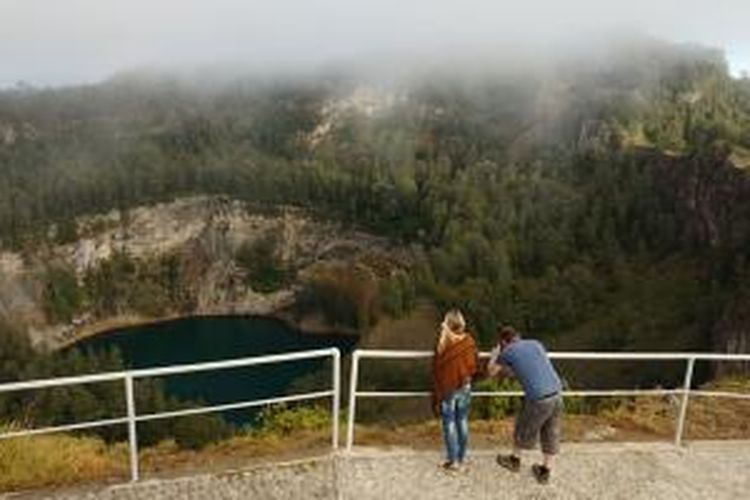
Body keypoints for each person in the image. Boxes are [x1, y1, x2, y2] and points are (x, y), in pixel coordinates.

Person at [486, 325, 563, 484]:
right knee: (551, 430)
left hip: (539, 397)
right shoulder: (536, 343)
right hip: (557, 392)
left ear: (503, 342)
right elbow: (533, 365)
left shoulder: (507, 351)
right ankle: (545, 470)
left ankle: (514, 460)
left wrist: (495, 355)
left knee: (523, 425)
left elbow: (491, 372)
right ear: (518, 336)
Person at [431, 309, 478, 471]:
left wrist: (444, 332)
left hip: (448, 390)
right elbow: (472, 366)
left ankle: (454, 461)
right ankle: (462, 458)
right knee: (462, 421)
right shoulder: (469, 341)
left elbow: (437, 368)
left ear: (447, 324)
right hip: (465, 386)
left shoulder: (443, 343)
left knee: (449, 423)